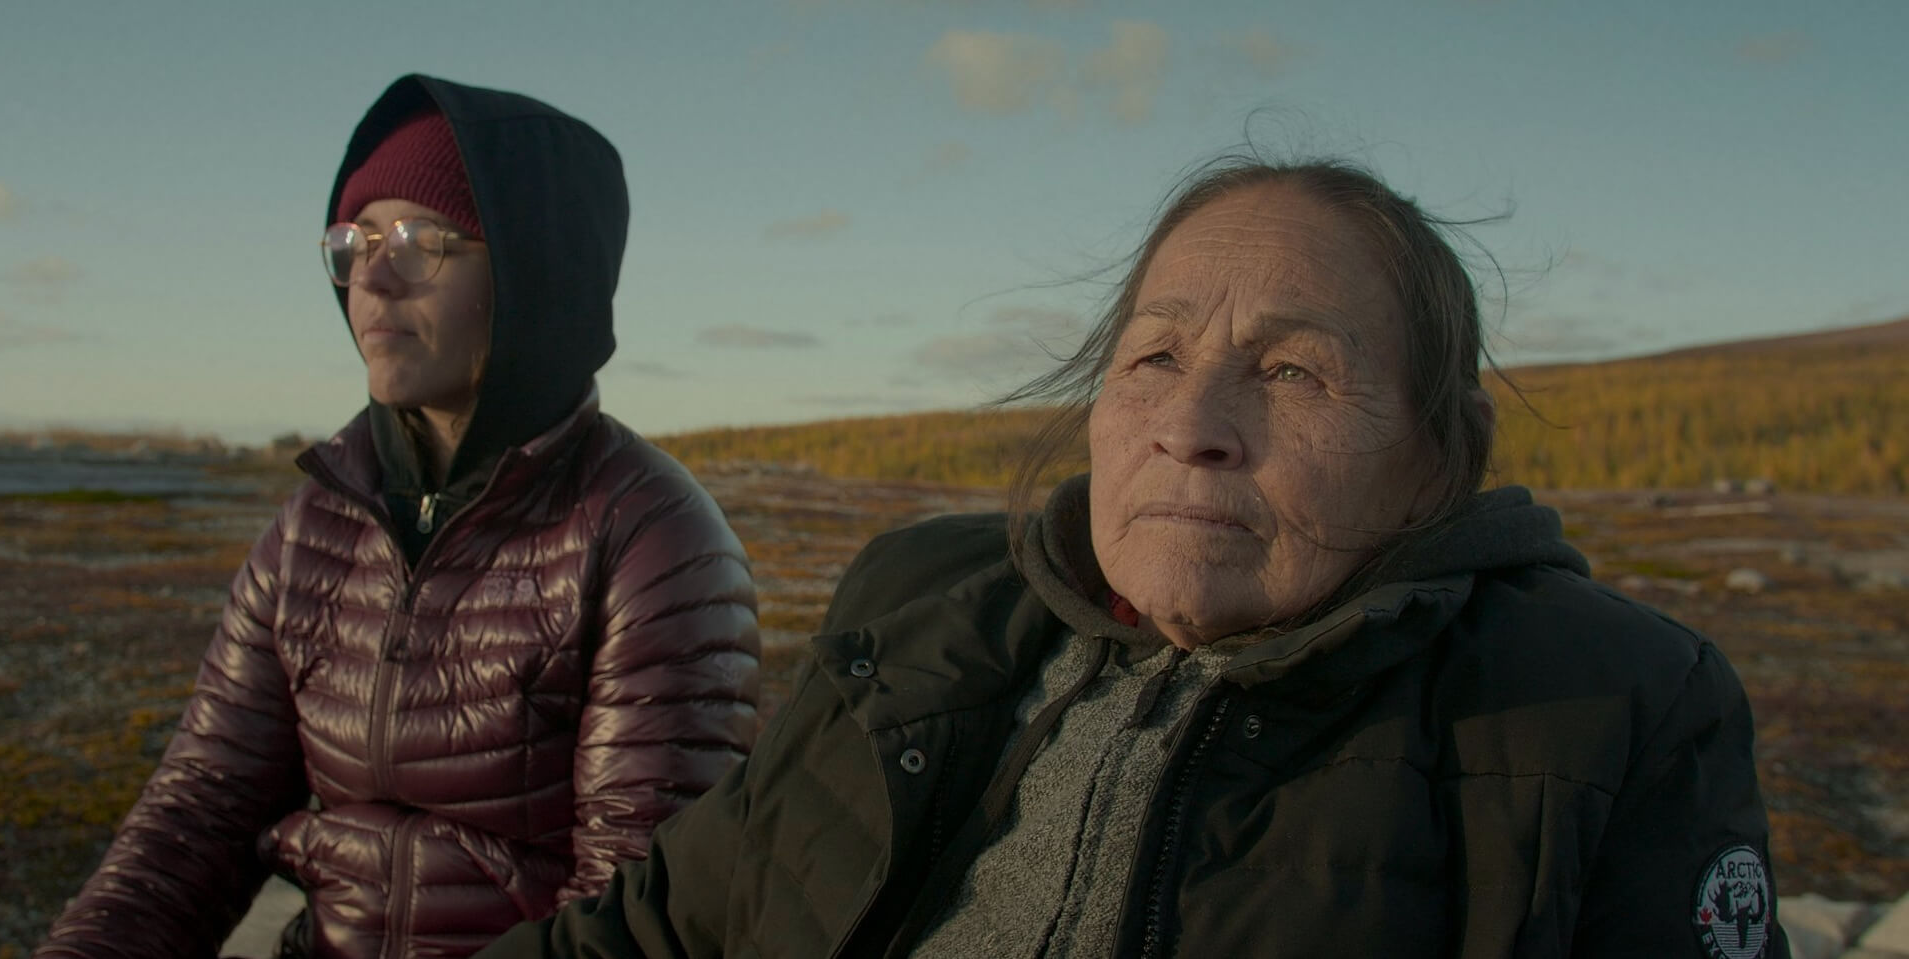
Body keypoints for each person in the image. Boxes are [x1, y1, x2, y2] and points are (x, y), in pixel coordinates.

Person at [476, 156, 1789, 958]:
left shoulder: (1612, 707)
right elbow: (653, 934)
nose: (1190, 426)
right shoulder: (919, 606)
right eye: (1154, 355)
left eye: (1292, 369)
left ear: (1438, 459)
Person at [36, 75, 762, 959]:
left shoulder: (650, 536)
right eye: (356, 240)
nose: (372, 278)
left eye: (422, 242)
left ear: (537, 273)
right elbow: (199, 808)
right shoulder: (315, 525)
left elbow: (633, 909)